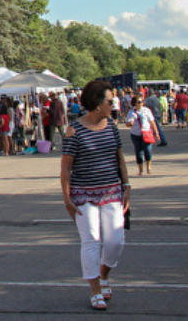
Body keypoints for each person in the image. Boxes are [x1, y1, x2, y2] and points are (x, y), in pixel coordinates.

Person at [60, 81, 130, 311]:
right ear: (98, 105)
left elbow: (119, 158)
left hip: (112, 191)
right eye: (110, 101)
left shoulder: (111, 126)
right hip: (83, 195)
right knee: (91, 240)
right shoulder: (74, 131)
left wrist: (127, 185)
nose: (114, 104)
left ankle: (104, 273)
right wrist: (67, 199)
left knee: (115, 241)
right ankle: (95, 290)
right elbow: (66, 168)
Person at [125, 97, 157, 176]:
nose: (141, 103)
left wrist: (156, 132)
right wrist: (130, 123)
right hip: (135, 134)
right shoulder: (131, 112)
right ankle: (141, 170)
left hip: (146, 133)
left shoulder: (146, 110)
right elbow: (127, 124)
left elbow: (152, 121)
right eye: (139, 102)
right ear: (135, 103)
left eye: (142, 101)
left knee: (148, 151)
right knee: (138, 152)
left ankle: (148, 167)